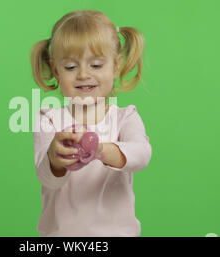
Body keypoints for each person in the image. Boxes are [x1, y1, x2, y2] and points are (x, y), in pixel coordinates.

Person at [30, 9, 152, 237]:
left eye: (96, 65)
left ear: (115, 67)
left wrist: (100, 150)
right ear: (56, 70)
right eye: (70, 67)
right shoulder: (49, 119)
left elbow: (141, 154)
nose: (84, 75)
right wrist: (55, 158)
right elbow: (46, 178)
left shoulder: (125, 117)